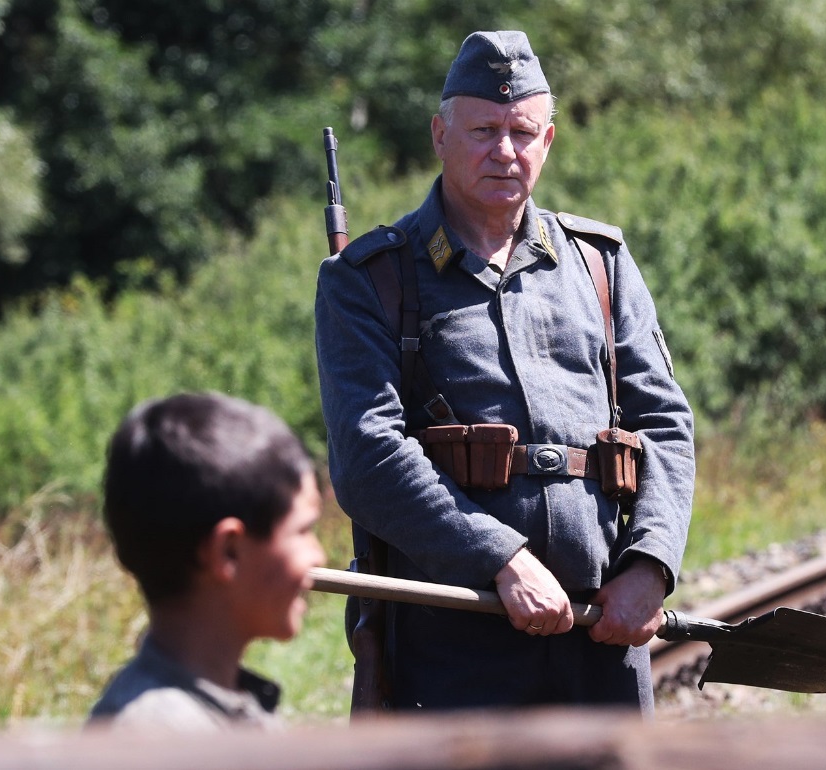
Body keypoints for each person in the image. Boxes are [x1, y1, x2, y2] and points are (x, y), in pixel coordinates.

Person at [315, 30, 694, 715]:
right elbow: (369, 455)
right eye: (483, 129)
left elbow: (663, 423)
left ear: (547, 142)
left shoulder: (600, 264)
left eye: (522, 132)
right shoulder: (371, 279)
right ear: (440, 134)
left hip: (601, 641)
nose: (504, 150)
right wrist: (500, 558)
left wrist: (651, 565)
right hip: (453, 642)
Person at [87, 392, 325, 730]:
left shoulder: (214, 711)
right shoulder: (157, 740)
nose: (319, 555)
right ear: (228, 551)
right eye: (303, 531)